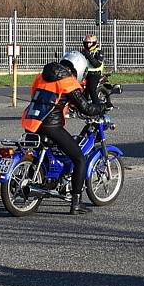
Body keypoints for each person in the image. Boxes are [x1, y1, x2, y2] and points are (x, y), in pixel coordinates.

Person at [21, 51, 105, 215]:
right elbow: (86, 108)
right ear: (79, 69)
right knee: (79, 158)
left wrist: (63, 105)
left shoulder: (42, 76)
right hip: (51, 126)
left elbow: (38, 97)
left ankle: (48, 180)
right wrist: (102, 107)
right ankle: (76, 203)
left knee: (49, 152)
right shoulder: (69, 82)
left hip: (31, 122)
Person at [80, 34, 110, 107]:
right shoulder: (83, 52)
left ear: (94, 43)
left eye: (90, 43)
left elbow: (97, 64)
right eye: (86, 43)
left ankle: (97, 108)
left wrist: (88, 55)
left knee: (91, 89)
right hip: (84, 73)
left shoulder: (99, 52)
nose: (88, 44)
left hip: (95, 74)